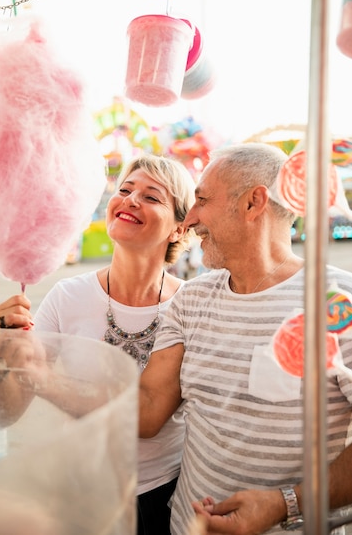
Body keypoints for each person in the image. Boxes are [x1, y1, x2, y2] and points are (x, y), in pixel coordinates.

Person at [138, 142, 352, 535]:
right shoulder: (192, 298)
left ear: (254, 203)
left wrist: (284, 504)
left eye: (202, 200)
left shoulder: (339, 304)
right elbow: (149, 408)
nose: (189, 220)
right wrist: (46, 371)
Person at [0, 153, 196, 535]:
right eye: (125, 190)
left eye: (152, 197)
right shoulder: (68, 296)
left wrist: (43, 379)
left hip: (161, 496)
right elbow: (5, 413)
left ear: (180, 229)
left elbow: (148, 420)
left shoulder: (192, 306)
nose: (130, 200)